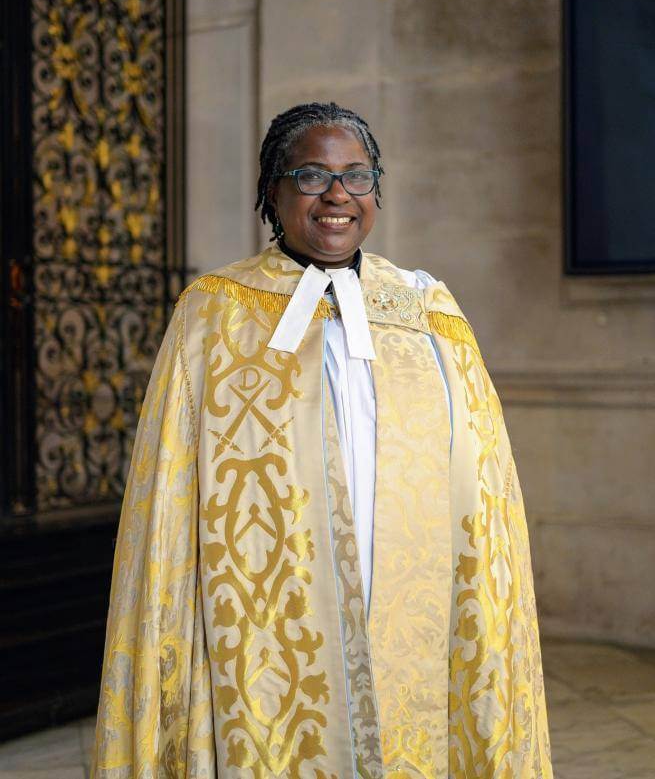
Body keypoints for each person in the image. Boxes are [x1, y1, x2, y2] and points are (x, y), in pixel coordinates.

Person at [91, 102, 552, 778]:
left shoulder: (427, 308)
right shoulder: (216, 312)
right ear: (272, 193)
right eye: (311, 175)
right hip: (270, 608)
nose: (337, 194)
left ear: (375, 192)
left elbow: (486, 482)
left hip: (408, 587)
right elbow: (170, 490)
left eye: (356, 176)